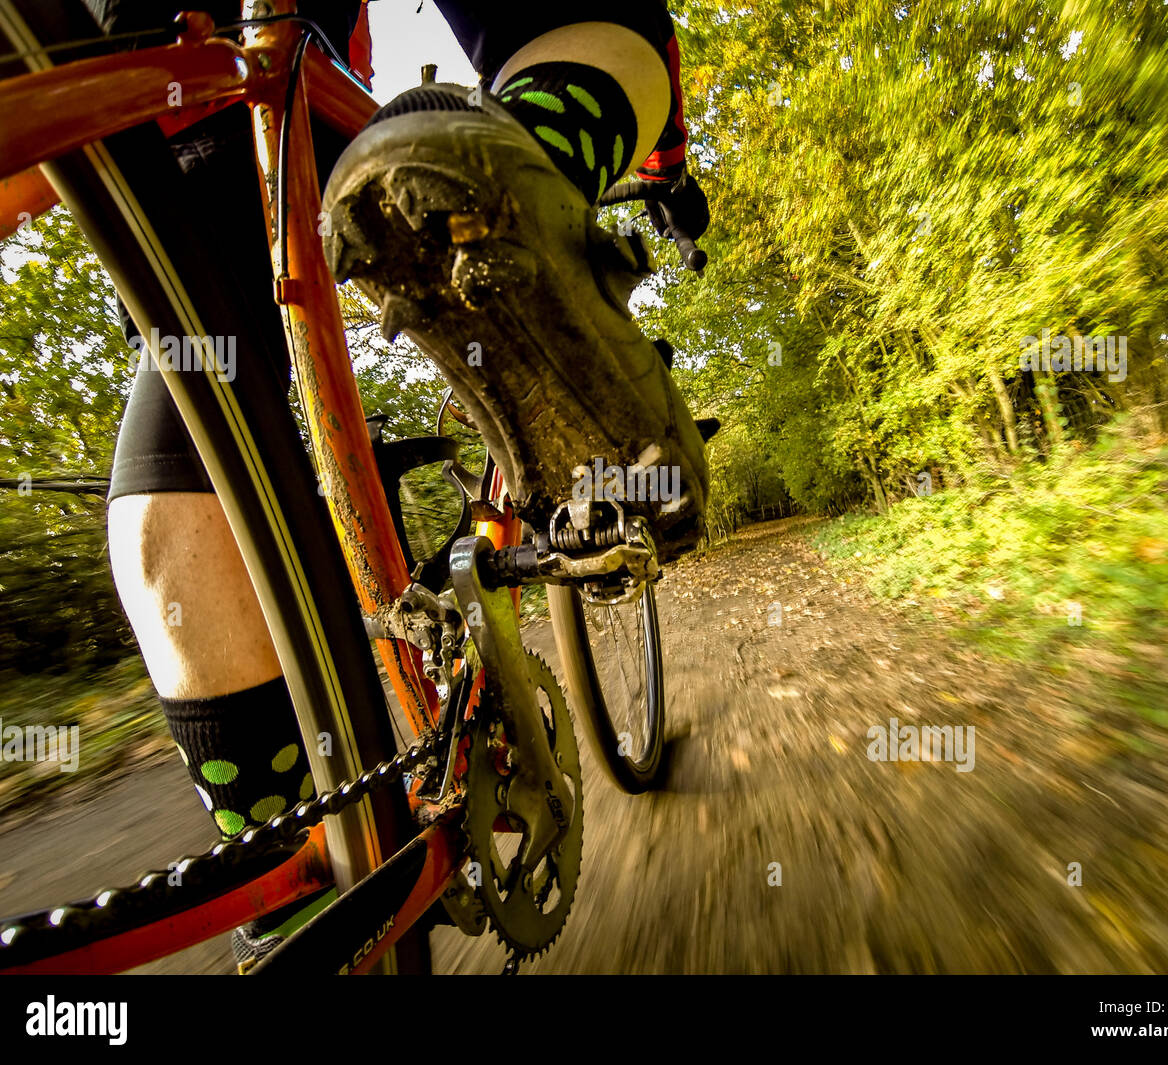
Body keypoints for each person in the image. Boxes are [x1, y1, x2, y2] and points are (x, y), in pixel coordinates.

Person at [93, 0, 710, 965]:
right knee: (587, 15)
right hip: (272, 60)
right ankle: (522, 167)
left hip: (137, 82)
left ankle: (296, 891)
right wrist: (667, 178)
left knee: (187, 407)